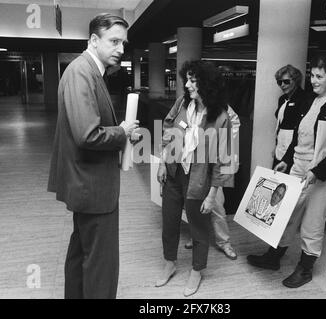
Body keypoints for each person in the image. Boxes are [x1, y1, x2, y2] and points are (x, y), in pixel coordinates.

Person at [47, 14, 139, 299]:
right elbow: (87, 135)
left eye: (123, 42)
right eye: (114, 41)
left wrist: (122, 133)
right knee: (101, 265)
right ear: (93, 40)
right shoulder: (82, 72)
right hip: (93, 187)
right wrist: (121, 132)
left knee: (81, 254)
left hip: (88, 185)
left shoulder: (88, 71)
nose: (121, 48)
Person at [247, 54, 326, 288]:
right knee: (286, 214)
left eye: (320, 76)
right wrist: (286, 160)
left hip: (324, 175)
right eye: (312, 75)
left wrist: (318, 170)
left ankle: (305, 269)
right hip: (298, 168)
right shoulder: (309, 100)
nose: (313, 80)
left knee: (312, 222)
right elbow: (298, 135)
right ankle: (273, 257)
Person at [156, 60, 234, 297]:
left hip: (199, 179)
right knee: (169, 222)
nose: (187, 85)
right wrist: (162, 161)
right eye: (186, 79)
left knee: (198, 228)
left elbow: (223, 160)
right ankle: (169, 263)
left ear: (206, 84)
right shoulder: (182, 104)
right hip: (173, 172)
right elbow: (168, 125)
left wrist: (212, 195)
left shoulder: (220, 116)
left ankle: (197, 270)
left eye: (192, 80)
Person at [184, 105, 240, 261]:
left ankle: (224, 242)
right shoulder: (191, 106)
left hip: (213, 163)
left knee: (216, 205)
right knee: (193, 204)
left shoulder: (222, 107)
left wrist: (216, 144)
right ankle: (196, 236)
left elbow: (233, 126)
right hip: (193, 164)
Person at [274, 65, 307, 168]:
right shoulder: (282, 99)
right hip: (280, 145)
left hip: (295, 147)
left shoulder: (305, 98)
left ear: (296, 80)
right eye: (279, 82)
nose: (282, 85)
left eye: (286, 81)